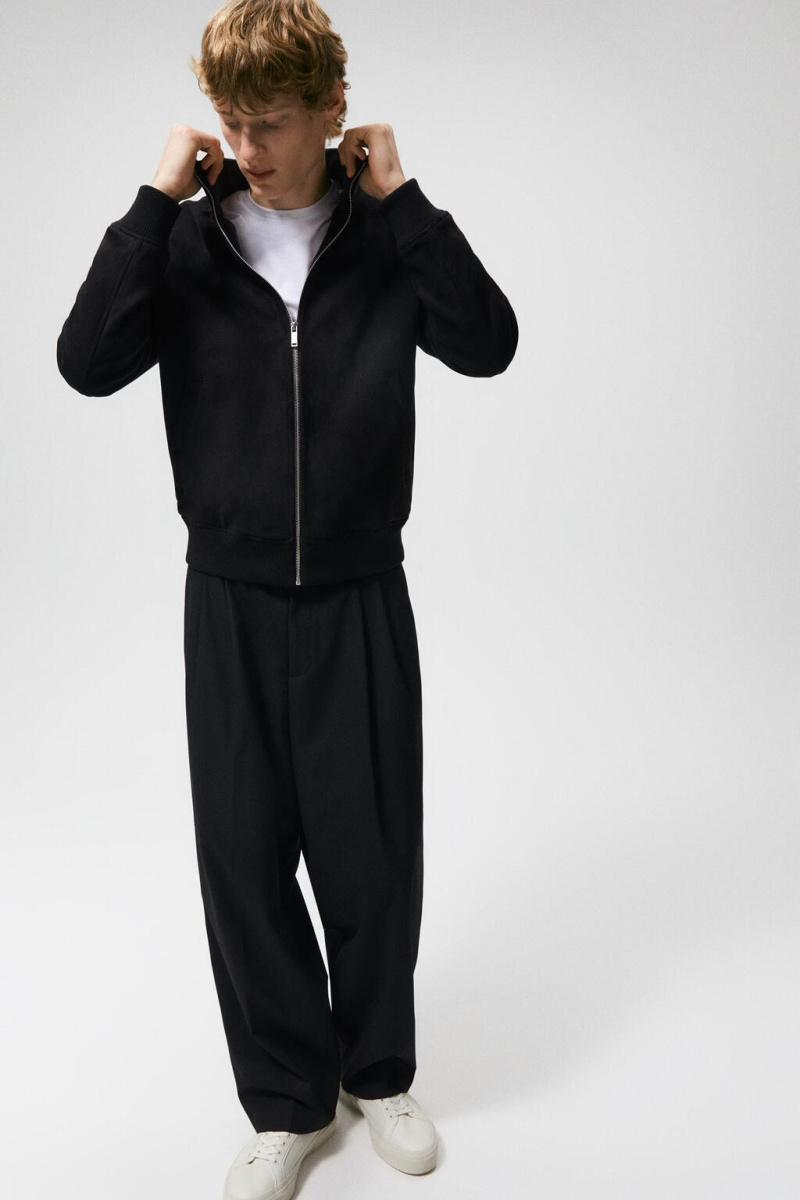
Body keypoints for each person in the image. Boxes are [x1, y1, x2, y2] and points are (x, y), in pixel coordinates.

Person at [56, 1, 518, 1196]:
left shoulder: (382, 238)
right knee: (245, 857)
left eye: (268, 122)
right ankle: (285, 1100)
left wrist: (406, 202)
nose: (246, 146)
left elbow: (486, 343)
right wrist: (150, 203)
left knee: (371, 857)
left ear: (329, 111)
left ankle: (378, 1072)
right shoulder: (185, 243)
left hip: (360, 589)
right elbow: (85, 362)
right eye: (230, 121)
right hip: (230, 595)